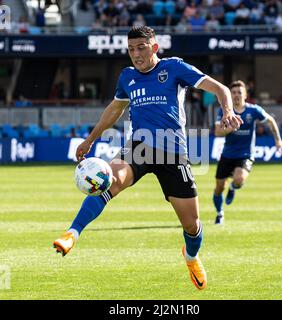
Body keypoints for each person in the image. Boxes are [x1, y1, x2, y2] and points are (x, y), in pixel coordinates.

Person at [53, 26, 242, 290]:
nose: (136, 54)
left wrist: (227, 112)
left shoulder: (174, 68)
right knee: (108, 180)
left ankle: (191, 257)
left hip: (174, 153)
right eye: (131, 49)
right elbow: (114, 111)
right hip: (139, 147)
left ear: (154, 47)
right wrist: (91, 139)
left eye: (141, 48)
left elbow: (220, 88)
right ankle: (72, 233)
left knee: (192, 224)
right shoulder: (127, 76)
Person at [212, 80, 282, 225]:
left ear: (245, 94)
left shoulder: (253, 110)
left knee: (239, 179)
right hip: (227, 154)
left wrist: (278, 140)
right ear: (230, 95)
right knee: (219, 188)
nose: (236, 95)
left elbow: (270, 121)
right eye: (233, 92)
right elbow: (218, 132)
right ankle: (220, 213)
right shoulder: (224, 111)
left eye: (239, 92)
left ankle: (234, 187)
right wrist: (232, 127)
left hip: (246, 154)